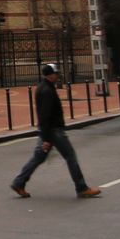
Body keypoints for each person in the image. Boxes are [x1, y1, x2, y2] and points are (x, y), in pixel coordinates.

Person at [11, 63, 102, 199]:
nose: (58, 75)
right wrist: (47, 139)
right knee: (70, 156)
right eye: (56, 73)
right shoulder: (47, 91)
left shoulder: (44, 88)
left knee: (38, 157)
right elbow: (45, 115)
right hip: (54, 131)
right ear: (49, 74)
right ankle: (81, 187)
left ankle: (19, 182)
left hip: (48, 130)